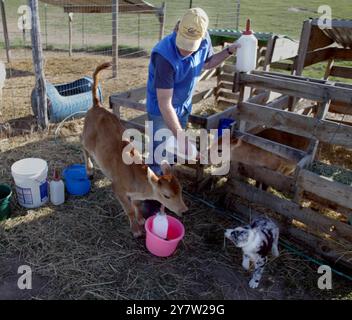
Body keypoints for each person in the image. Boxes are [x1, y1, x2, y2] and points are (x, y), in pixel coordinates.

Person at [143, 7, 240, 217]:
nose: (187, 51)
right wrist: (182, 137)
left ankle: (168, 199)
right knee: (159, 158)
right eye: (184, 45)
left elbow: (206, 64)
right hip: (162, 111)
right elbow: (164, 103)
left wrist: (228, 51)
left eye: (192, 47)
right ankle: (151, 210)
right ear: (178, 30)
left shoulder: (204, 40)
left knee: (170, 156)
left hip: (182, 107)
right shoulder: (164, 56)